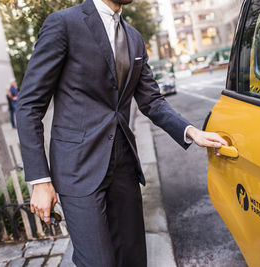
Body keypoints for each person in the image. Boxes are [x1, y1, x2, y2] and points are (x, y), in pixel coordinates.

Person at [16, 0, 228, 266]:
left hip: (123, 165)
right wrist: (40, 180)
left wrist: (192, 132)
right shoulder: (63, 24)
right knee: (98, 262)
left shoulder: (134, 37)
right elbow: (29, 105)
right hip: (77, 169)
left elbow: (152, 101)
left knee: (134, 258)